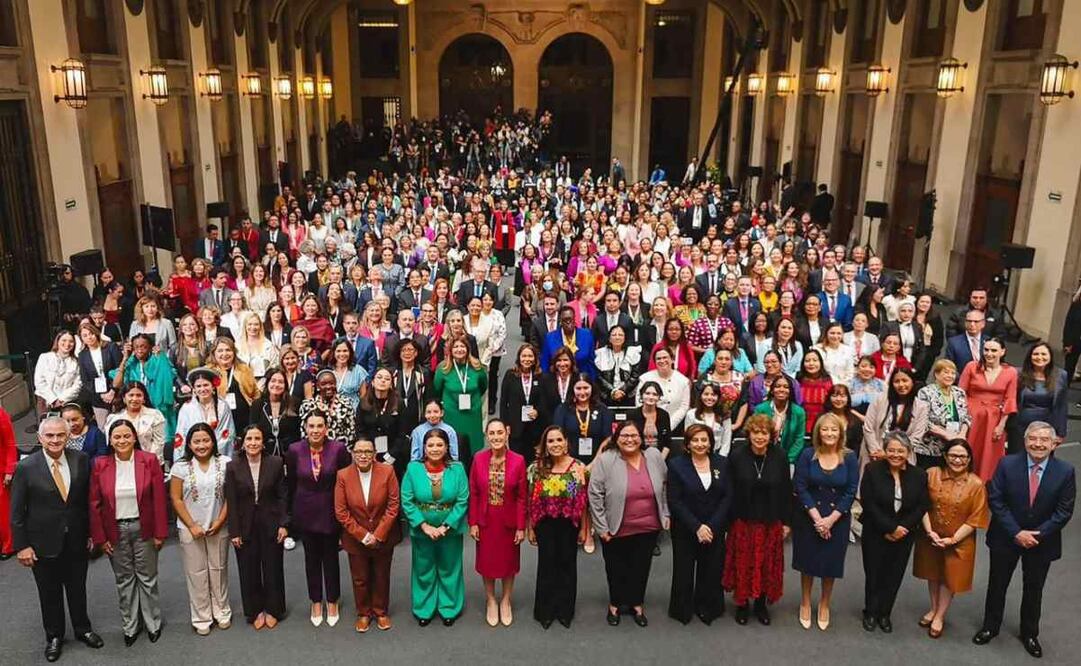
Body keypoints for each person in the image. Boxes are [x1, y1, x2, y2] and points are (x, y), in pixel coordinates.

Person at [973, 421, 1076, 658]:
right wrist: (1016, 532)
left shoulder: (1066, 471)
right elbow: (996, 499)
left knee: (1034, 589)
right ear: (1025, 441)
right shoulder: (1006, 464)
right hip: (1006, 537)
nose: (1038, 444)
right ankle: (990, 627)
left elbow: (1064, 510)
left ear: (1054, 444)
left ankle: (1029, 633)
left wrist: (1037, 534)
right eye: (1033, 438)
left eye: (1044, 440)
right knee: (997, 584)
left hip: (1042, 541)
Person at [10, 417, 104, 661]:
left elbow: (86, 501)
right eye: (49, 436)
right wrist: (22, 546)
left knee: (77, 588)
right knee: (49, 593)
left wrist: (91, 533)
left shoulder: (81, 459)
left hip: (76, 539)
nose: (55, 440)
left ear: (68, 436)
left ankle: (83, 629)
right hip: (42, 543)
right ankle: (54, 636)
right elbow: (17, 511)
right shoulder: (26, 467)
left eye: (60, 435)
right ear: (40, 438)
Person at [88, 419, 168, 646]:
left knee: (147, 578)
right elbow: (94, 504)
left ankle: (153, 623)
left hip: (145, 528)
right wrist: (100, 538)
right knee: (124, 580)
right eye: (117, 437)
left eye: (126, 436)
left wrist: (160, 533)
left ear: (134, 438)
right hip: (115, 530)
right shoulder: (100, 464)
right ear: (110, 440)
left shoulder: (148, 460)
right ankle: (131, 626)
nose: (122, 440)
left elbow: (159, 500)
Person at [589, 420, 670, 628]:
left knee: (641, 567)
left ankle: (636, 603)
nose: (630, 440)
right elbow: (595, 495)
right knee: (616, 568)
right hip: (616, 526)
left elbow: (664, 486)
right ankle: (615, 604)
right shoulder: (606, 459)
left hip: (648, 525)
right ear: (617, 438)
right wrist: (601, 527)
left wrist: (666, 513)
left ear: (641, 438)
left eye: (634, 435)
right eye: (624, 435)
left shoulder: (653, 456)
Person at [913, 439, 990, 639]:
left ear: (969, 459)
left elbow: (975, 518)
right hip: (930, 535)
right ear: (945, 456)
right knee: (932, 573)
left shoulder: (976, 484)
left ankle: (940, 615)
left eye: (962, 456)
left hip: (960, 540)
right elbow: (921, 504)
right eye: (953, 455)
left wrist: (953, 539)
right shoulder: (931, 474)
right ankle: (933, 608)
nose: (957, 460)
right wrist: (929, 532)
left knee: (950, 577)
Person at [791, 413, 860, 631]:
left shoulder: (849, 457)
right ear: (818, 432)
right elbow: (800, 486)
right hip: (809, 517)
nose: (829, 433)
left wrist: (830, 520)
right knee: (807, 562)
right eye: (825, 429)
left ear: (841, 433)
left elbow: (851, 491)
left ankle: (824, 604)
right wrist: (818, 519)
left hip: (837, 519)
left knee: (830, 564)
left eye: (834, 429)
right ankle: (805, 602)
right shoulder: (807, 454)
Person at [723, 414, 792, 626]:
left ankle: (761, 605)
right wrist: (728, 522)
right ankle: (742, 604)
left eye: (764, 433)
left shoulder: (780, 456)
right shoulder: (737, 455)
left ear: (771, 436)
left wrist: (786, 522)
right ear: (749, 434)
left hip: (770, 521)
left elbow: (786, 490)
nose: (760, 437)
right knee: (743, 564)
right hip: (743, 520)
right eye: (756, 432)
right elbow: (728, 490)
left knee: (766, 565)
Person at [285, 410, 351, 627]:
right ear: (305, 428)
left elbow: (345, 482)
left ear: (326, 428)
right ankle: (315, 601)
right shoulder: (295, 450)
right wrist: (289, 515)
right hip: (305, 512)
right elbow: (291, 483)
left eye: (319, 426)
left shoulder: (338, 449)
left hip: (331, 511)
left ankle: (332, 600)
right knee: (311, 559)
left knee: (331, 558)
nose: (315, 430)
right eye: (311, 426)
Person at [858, 431, 928, 633]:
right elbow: (868, 502)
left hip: (905, 534)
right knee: (874, 573)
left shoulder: (919, 475)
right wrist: (889, 528)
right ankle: (870, 612)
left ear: (908, 452)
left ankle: (885, 614)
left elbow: (922, 505)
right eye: (891, 450)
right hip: (875, 531)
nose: (896, 455)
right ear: (885, 450)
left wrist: (902, 528)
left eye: (900, 451)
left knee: (894, 575)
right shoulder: (872, 470)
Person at [401, 428, 470, 626]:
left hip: (450, 529)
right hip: (422, 530)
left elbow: (462, 500)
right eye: (430, 445)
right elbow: (407, 500)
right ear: (424, 448)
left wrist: (446, 526)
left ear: (447, 447)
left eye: (440, 444)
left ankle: (449, 607)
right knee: (423, 569)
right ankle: (424, 608)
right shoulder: (413, 469)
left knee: (450, 568)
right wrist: (424, 526)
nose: (435, 448)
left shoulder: (457, 468)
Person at [169, 423, 232, 636]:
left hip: (218, 525)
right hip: (189, 527)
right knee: (196, 573)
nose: (202, 445)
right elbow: (176, 498)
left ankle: (221, 611)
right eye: (196, 441)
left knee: (219, 569)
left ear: (213, 441)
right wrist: (192, 525)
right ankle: (201, 616)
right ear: (189, 444)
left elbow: (231, 497)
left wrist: (220, 521)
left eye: (206, 440)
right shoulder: (180, 467)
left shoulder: (225, 463)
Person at [224, 425, 288, 630]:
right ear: (243, 442)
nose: (253, 443)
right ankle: (255, 611)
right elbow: (231, 501)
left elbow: (282, 496)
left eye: (257, 438)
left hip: (271, 523)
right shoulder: (233, 466)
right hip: (245, 525)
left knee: (273, 567)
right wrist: (234, 531)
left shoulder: (276, 463)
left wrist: (284, 524)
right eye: (249, 439)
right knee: (248, 569)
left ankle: (274, 609)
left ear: (263, 442)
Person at [335, 437, 402, 633]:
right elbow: (341, 511)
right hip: (355, 538)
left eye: (367, 451)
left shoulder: (387, 471)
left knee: (381, 575)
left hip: (384, 535)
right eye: (358, 452)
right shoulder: (343, 475)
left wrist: (378, 534)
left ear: (374, 454)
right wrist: (363, 536)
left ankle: (380, 611)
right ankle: (363, 613)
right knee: (360, 578)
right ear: (352, 453)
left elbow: (393, 505)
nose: (363, 455)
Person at [526, 426, 591, 628]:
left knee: (567, 565)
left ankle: (565, 611)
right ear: (545, 445)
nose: (555, 444)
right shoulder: (536, 469)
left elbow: (583, 501)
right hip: (544, 524)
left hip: (569, 524)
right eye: (550, 441)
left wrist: (584, 529)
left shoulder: (577, 468)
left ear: (566, 442)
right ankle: (545, 611)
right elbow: (530, 500)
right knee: (546, 565)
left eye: (559, 440)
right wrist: (530, 528)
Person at [666, 425, 731, 625]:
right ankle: (682, 609)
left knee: (711, 569)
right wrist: (697, 527)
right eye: (695, 440)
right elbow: (674, 500)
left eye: (704, 440)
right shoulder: (676, 465)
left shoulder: (722, 463)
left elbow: (727, 497)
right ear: (687, 444)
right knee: (683, 570)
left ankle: (708, 608)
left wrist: (711, 526)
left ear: (711, 443)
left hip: (714, 528)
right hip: (686, 528)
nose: (700, 444)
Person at [468, 419, 528, 627]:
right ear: (486, 435)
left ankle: (506, 600)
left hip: (508, 521)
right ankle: (491, 600)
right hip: (485, 520)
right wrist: (473, 522)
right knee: (487, 563)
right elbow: (474, 492)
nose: (496, 437)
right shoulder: (478, 459)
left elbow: (522, 497)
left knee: (508, 563)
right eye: (492, 433)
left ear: (507, 433)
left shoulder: (519, 460)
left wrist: (521, 526)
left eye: (499, 432)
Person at [959, 338, 1018, 481]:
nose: (989, 354)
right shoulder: (971, 366)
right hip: (971, 417)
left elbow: (1010, 399)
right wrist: (963, 420)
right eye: (986, 350)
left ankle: (984, 485)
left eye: (994, 350)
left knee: (989, 454)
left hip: (994, 420)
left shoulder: (1011, 372)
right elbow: (960, 393)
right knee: (969, 449)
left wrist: (1001, 425)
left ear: (1002, 352)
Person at [1008, 343, 1068, 455]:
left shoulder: (1061, 375)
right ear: (1030, 356)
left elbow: (1062, 405)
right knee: (1016, 458)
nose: (1039, 357)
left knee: (1040, 458)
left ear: (1050, 356)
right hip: (1020, 425)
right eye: (1036, 354)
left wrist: (1061, 432)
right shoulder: (1017, 373)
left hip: (1047, 426)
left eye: (1044, 354)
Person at [862, 367, 928, 468]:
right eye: (897, 381)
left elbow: (917, 436)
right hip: (875, 455)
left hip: (903, 458)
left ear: (912, 382)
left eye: (905, 380)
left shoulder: (921, 406)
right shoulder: (879, 400)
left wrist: (892, 454)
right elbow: (868, 428)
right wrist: (877, 451)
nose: (901, 385)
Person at [915, 360, 971, 469]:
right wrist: (946, 435)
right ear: (936, 374)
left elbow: (966, 417)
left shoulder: (959, 392)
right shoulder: (925, 392)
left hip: (954, 447)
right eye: (946, 372)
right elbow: (923, 421)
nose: (950, 376)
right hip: (931, 447)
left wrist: (961, 435)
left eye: (953, 373)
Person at [498, 344, 548, 462]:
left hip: (534, 427)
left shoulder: (541, 377)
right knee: (516, 460)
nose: (527, 359)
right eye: (524, 356)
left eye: (530, 356)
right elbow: (503, 402)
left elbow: (544, 400)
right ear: (519, 358)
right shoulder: (510, 375)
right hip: (516, 426)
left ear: (535, 359)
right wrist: (505, 424)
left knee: (533, 461)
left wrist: (537, 411)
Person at [174, 368, 236, 461]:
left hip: (218, 454)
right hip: (193, 457)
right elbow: (181, 437)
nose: (202, 389)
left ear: (213, 386)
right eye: (198, 386)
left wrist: (210, 451)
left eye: (206, 385)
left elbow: (227, 435)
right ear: (194, 389)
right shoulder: (186, 409)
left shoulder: (222, 406)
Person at [553, 374, 614, 464]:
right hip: (568, 461)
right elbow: (558, 435)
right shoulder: (563, 409)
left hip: (598, 461)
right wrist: (570, 463)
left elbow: (608, 439)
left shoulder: (602, 409)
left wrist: (594, 463)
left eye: (586, 388)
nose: (582, 392)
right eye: (578, 388)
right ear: (572, 389)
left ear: (592, 388)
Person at [105, 381, 167, 466]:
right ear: (124, 398)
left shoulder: (155, 415)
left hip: (150, 463)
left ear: (144, 398)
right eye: (131, 395)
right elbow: (111, 444)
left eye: (138, 395)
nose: (134, 399)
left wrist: (146, 461)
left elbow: (159, 443)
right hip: (121, 463)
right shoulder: (113, 418)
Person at [752, 375, 807, 465]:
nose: (781, 389)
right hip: (762, 458)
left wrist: (787, 460)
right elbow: (755, 434)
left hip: (788, 460)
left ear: (791, 391)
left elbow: (799, 440)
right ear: (772, 390)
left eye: (786, 387)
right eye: (777, 386)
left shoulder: (799, 412)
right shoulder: (760, 409)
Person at [249, 369, 302, 457]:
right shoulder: (257, 404)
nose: (276, 385)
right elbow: (253, 429)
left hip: (289, 453)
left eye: (280, 382)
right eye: (273, 381)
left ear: (285, 385)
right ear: (268, 383)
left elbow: (297, 433)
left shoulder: (294, 403)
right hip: (265, 454)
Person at [637, 347, 692, 430]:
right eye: (658, 359)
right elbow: (639, 401)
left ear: (672, 360)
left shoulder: (683, 381)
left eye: (665, 357)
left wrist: (669, 425)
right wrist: (648, 422)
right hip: (647, 425)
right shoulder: (645, 379)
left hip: (675, 426)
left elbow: (684, 406)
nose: (662, 361)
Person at [300, 370, 357, 445]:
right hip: (315, 449)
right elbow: (304, 433)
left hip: (340, 449)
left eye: (331, 383)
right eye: (324, 384)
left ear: (336, 384)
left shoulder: (346, 403)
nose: (328, 387)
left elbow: (351, 431)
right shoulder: (308, 406)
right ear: (317, 386)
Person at [540, 305, 596, 379]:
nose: (568, 322)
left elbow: (591, 362)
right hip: (558, 379)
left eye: (570, 319)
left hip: (582, 380)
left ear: (574, 319)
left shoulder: (586, 335)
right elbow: (545, 363)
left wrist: (592, 381)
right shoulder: (550, 337)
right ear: (560, 321)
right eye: (565, 320)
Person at [34, 331, 82, 416]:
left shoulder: (76, 362)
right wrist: (53, 399)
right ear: (58, 341)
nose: (67, 344)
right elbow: (39, 381)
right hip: (45, 401)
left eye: (71, 341)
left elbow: (78, 384)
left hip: (66, 402)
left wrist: (62, 399)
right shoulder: (45, 357)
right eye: (64, 340)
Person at [595, 325, 643, 408]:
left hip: (628, 395)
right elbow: (599, 377)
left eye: (620, 335)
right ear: (609, 338)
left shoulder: (633, 352)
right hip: (606, 396)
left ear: (625, 338)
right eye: (614, 335)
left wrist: (622, 390)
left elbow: (635, 376)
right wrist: (613, 391)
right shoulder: (601, 353)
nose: (617, 337)